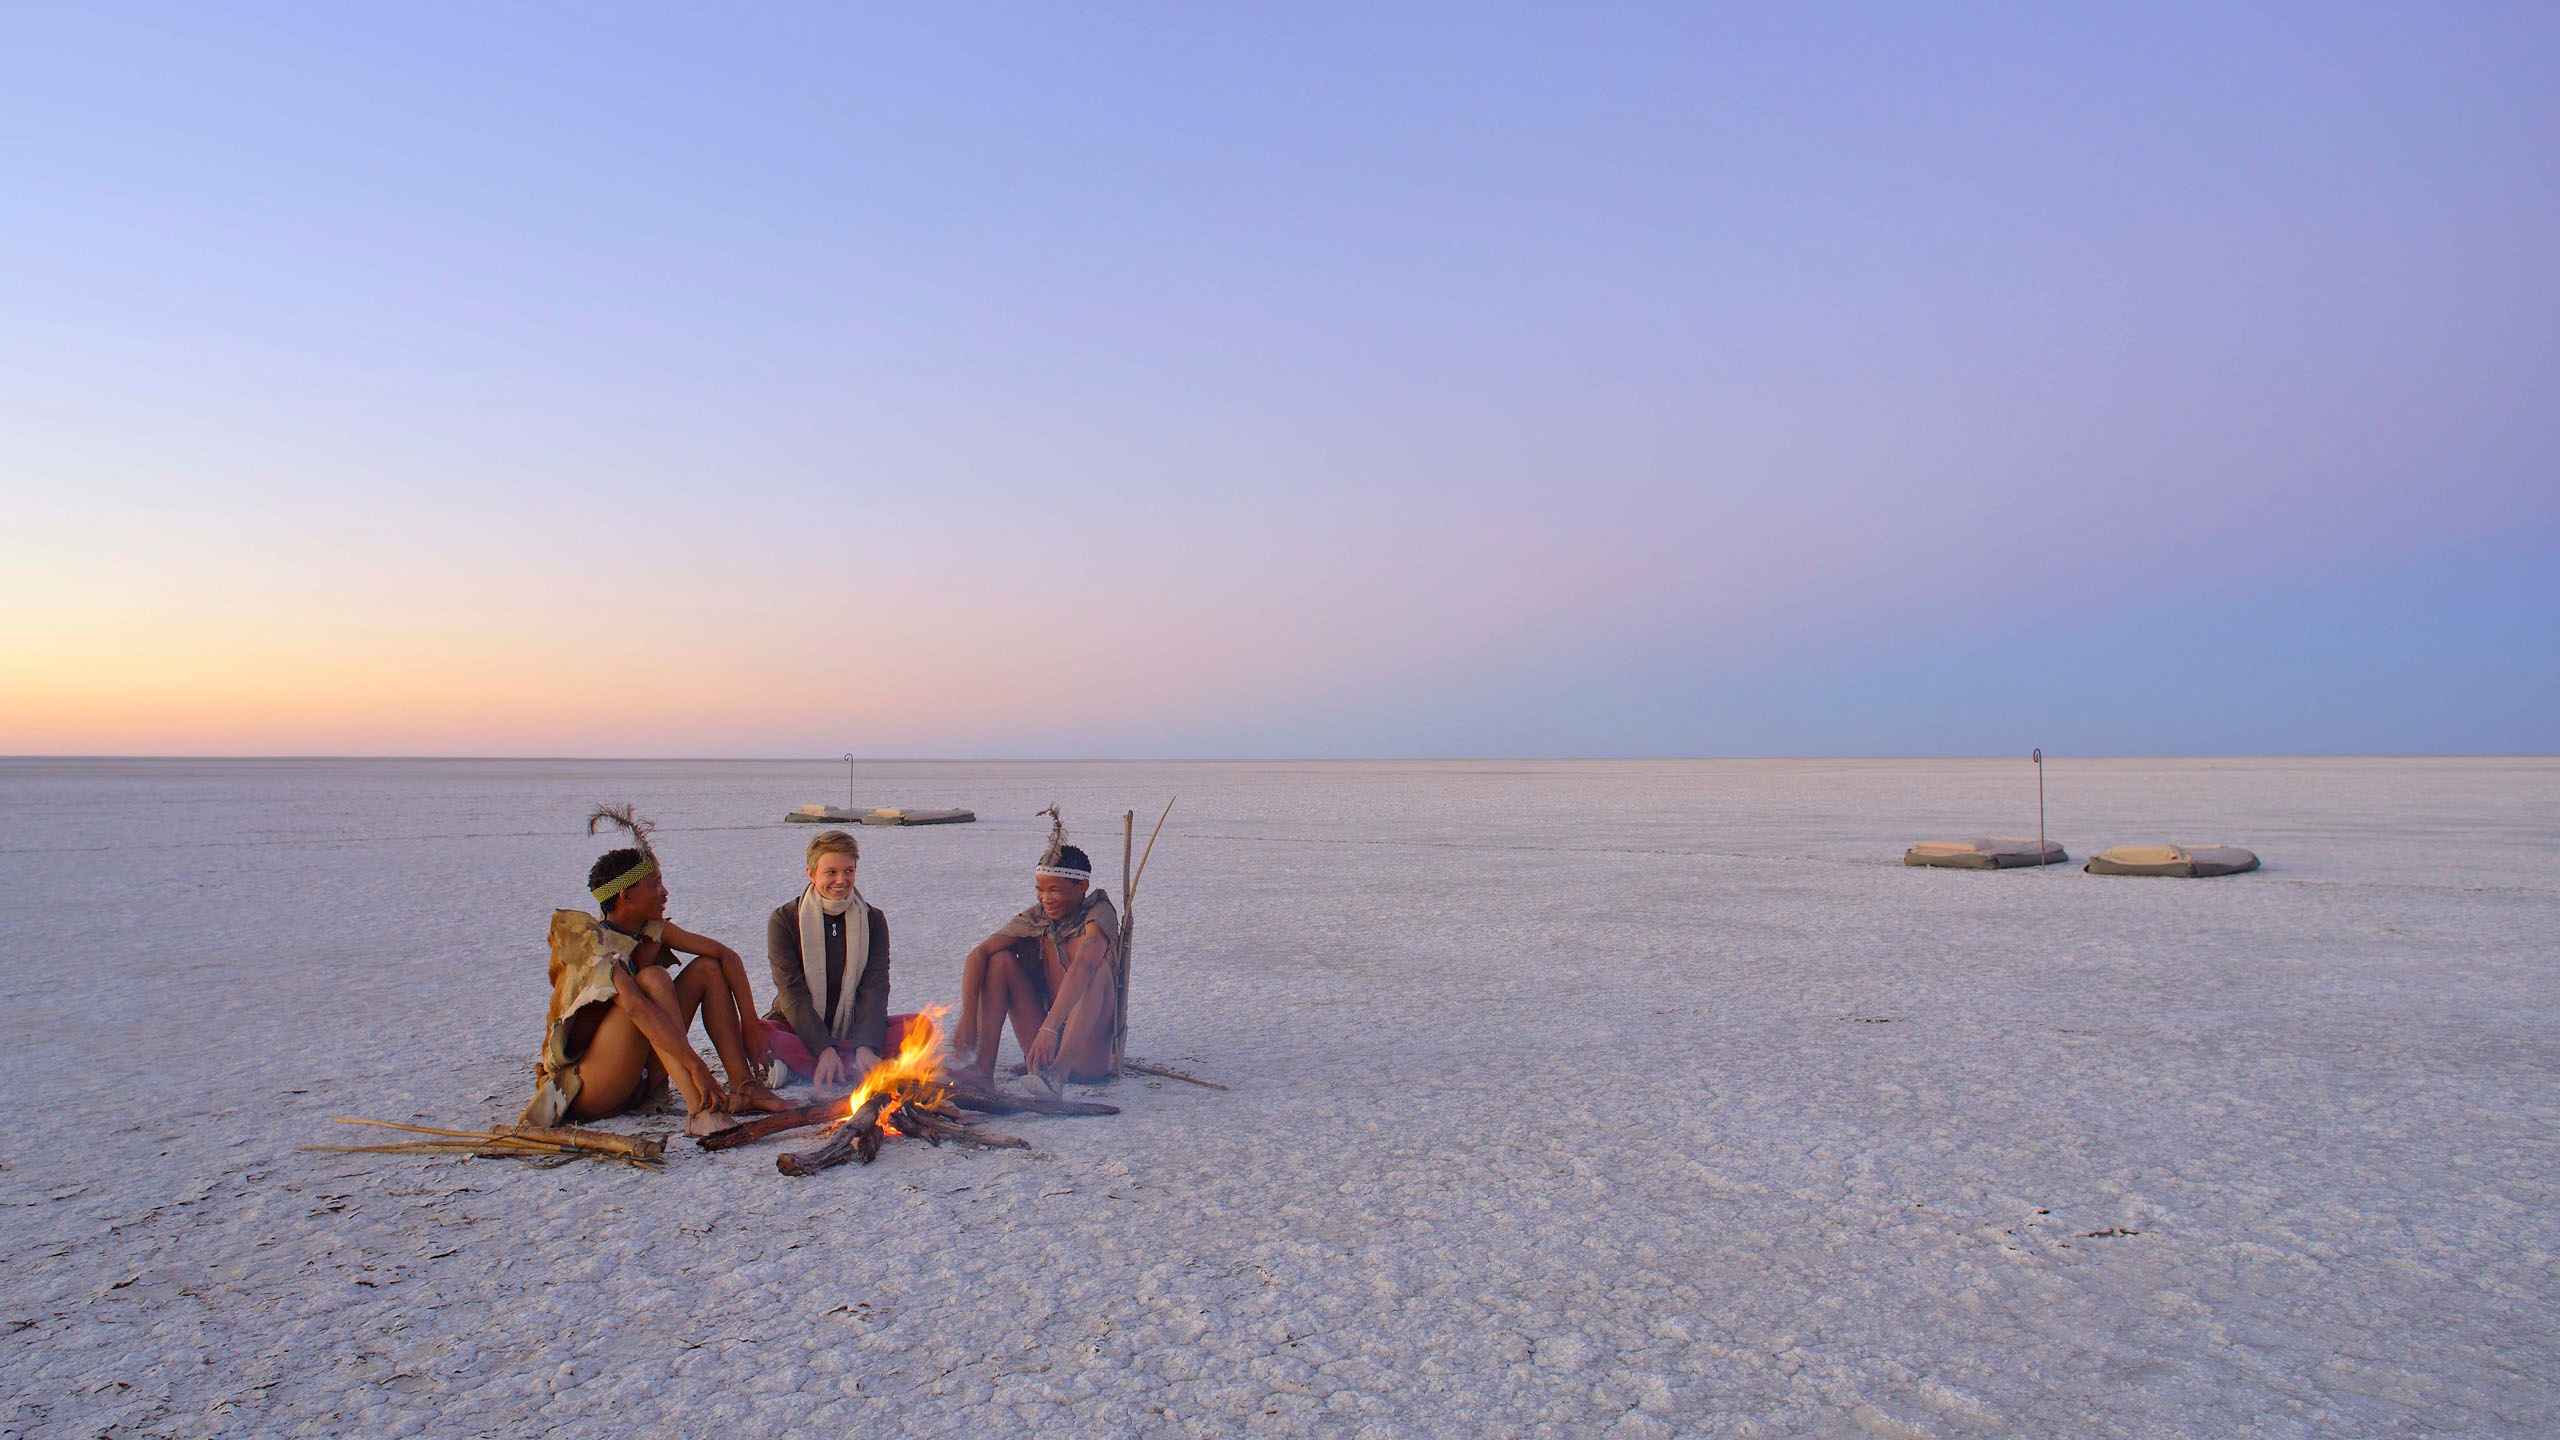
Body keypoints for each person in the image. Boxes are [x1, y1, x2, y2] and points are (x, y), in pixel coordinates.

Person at [522, 830, 786, 1137]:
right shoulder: (593, 944)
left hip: (640, 1079)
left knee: (708, 970)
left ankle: (744, 1086)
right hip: (591, 1088)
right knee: (653, 978)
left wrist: (750, 1022)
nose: (664, 892)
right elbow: (635, 1009)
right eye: (655, 885)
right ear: (626, 897)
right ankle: (699, 1109)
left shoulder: (649, 929)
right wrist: (697, 1067)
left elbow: (726, 955)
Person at [759, 829, 920, 1092]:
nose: (841, 880)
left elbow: (875, 986)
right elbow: (791, 992)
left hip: (854, 1029)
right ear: (811, 874)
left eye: (849, 871)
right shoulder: (784, 920)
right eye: (830, 872)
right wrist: (823, 1048)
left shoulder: (872, 919)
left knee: (920, 1028)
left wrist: (867, 1044)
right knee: (753, 1032)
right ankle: (840, 1064)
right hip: (799, 1027)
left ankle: (820, 1065)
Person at [953, 842, 1120, 1092]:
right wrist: (967, 1019)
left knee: (1096, 971)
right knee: (1000, 961)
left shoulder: (1098, 913)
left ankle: (1057, 1076)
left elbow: (1083, 965)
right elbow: (979, 954)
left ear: (1082, 886)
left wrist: (1050, 1028)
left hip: (1086, 1059)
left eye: (1054, 890)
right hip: (1042, 1047)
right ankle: (983, 1070)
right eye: (1040, 890)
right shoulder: (1039, 917)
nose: (1045, 899)